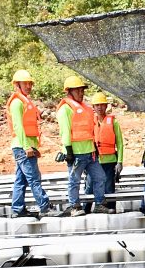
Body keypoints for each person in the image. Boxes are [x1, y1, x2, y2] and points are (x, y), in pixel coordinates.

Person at [57, 75, 108, 216]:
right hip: (76, 153)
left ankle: (99, 204)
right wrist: (68, 151)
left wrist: (95, 148)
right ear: (69, 91)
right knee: (74, 181)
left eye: (82, 90)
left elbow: (89, 131)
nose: (81, 93)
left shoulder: (85, 109)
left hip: (89, 152)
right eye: (78, 90)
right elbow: (65, 132)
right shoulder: (65, 109)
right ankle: (74, 206)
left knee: (100, 177)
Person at [6, 69, 51, 218]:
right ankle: (45, 206)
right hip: (22, 146)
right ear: (17, 84)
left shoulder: (24, 101)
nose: (29, 86)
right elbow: (18, 126)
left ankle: (17, 209)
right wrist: (26, 146)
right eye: (26, 83)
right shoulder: (17, 103)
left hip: (25, 146)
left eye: (30, 83)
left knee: (21, 179)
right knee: (34, 178)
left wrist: (33, 146)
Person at [88, 92, 124, 210]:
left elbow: (120, 143)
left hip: (110, 161)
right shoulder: (90, 122)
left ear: (106, 106)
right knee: (90, 187)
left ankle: (111, 209)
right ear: (93, 107)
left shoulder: (113, 122)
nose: (99, 107)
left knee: (109, 188)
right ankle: (86, 209)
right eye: (97, 105)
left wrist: (120, 161)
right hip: (94, 161)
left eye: (102, 105)